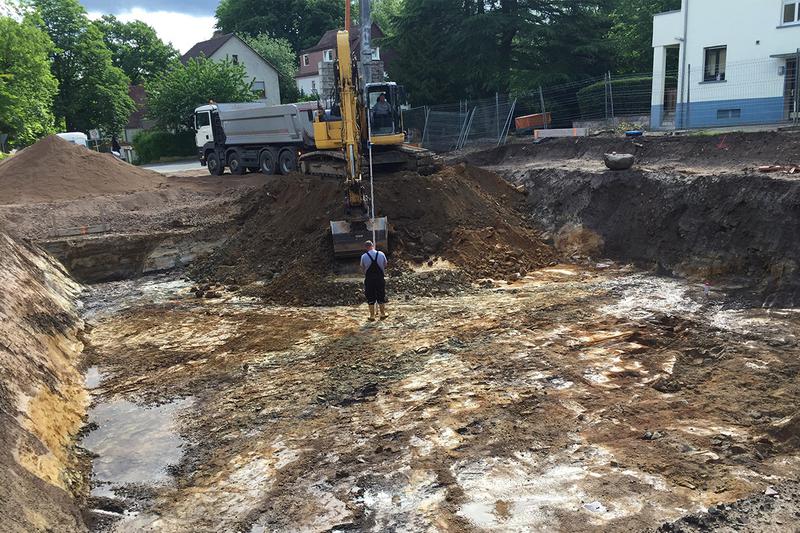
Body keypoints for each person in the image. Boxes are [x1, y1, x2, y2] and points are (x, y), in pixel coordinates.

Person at [360, 240, 388, 321]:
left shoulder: (363, 256)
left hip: (369, 280)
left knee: (370, 296)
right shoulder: (381, 254)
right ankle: (382, 314)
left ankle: (372, 316)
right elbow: (385, 264)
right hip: (380, 279)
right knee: (381, 294)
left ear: (366, 247)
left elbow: (362, 267)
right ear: (373, 246)